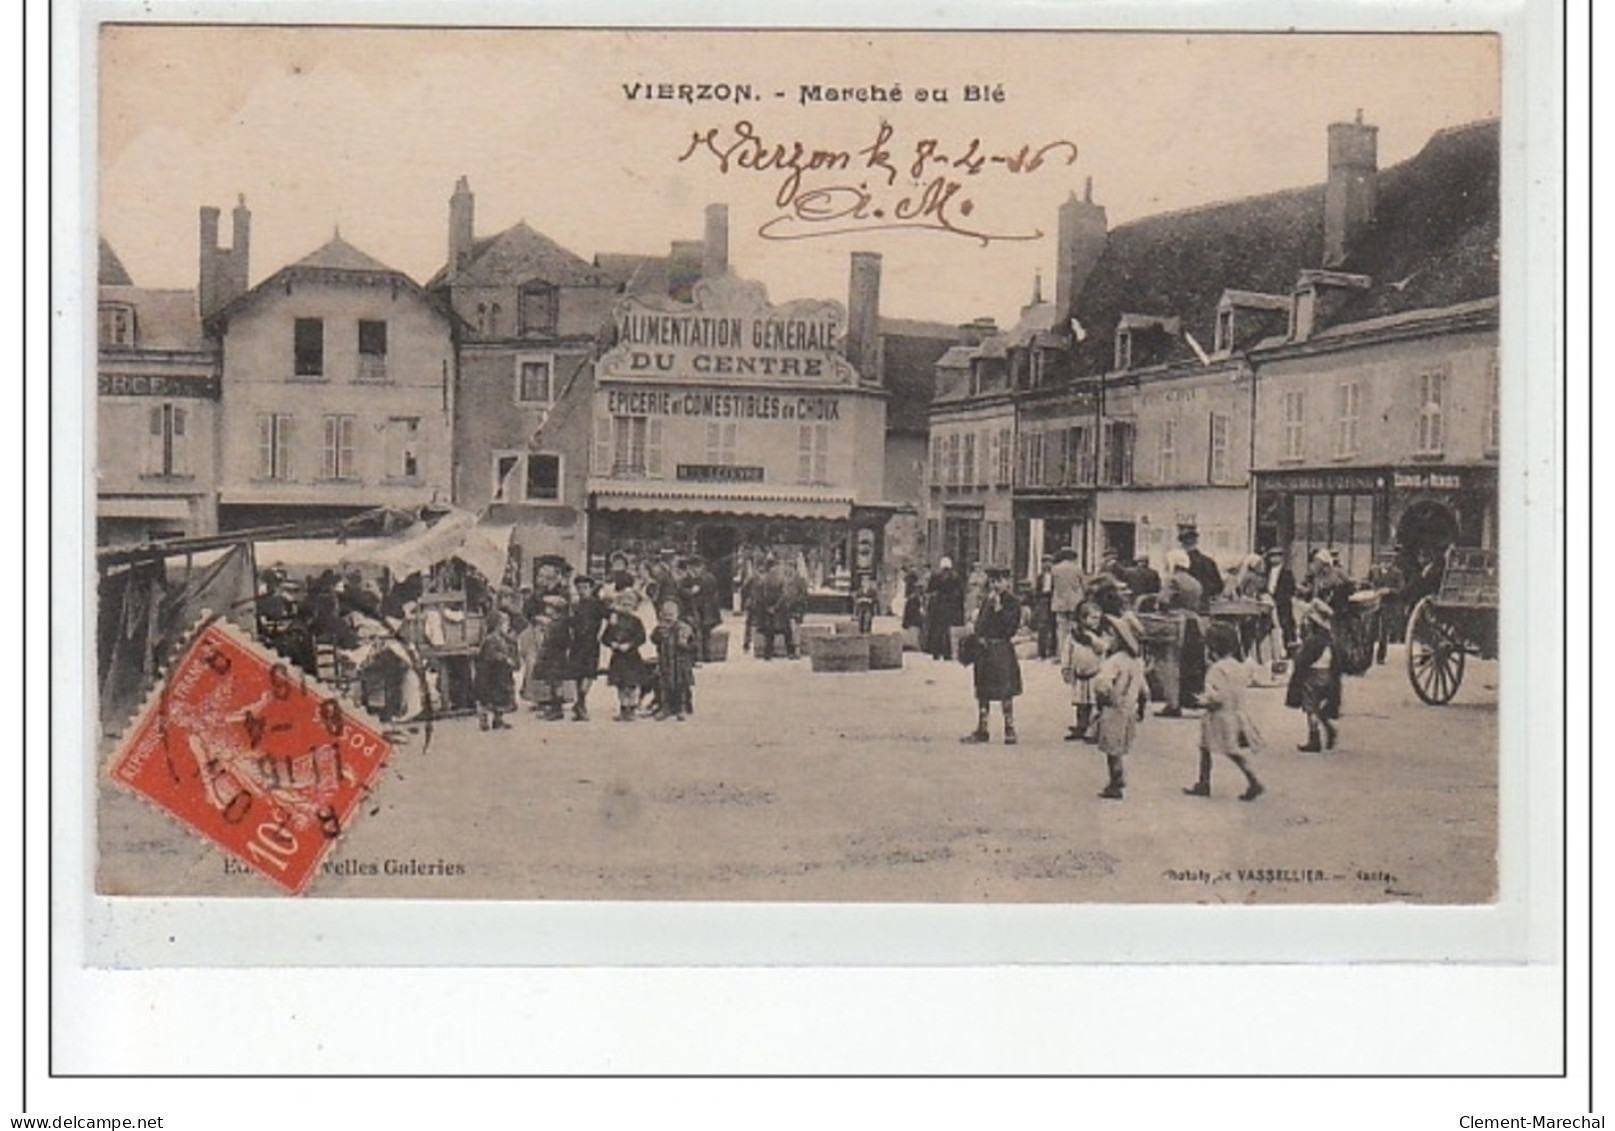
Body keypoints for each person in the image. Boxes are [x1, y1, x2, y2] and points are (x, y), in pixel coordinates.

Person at [1184, 621, 1265, 801]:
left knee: (1224, 750)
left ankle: (1252, 780)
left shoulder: (1216, 669)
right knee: (1212, 748)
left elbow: (1216, 696)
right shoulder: (1238, 666)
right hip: (1235, 713)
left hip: (1218, 716)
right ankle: (1204, 782)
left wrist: (1204, 700)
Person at [960, 567, 1023, 746]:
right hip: (985, 650)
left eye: (1000, 581)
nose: (996, 585)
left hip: (1001, 648)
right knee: (983, 690)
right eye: (993, 581)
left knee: (1005, 690)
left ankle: (1009, 728)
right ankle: (982, 728)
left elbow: (1011, 627)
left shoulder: (1012, 603)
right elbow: (981, 624)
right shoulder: (987, 601)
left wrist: (1000, 610)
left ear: (1008, 582)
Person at [1093, 612, 1149, 800]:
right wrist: (1141, 708)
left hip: (1113, 708)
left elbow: (1103, 683)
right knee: (1120, 746)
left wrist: (1102, 698)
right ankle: (1120, 776)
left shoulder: (1115, 661)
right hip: (1129, 709)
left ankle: (1115, 782)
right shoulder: (1137, 662)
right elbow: (1144, 690)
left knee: (1111, 750)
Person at [1286, 599, 1343, 753]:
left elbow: (1302, 660)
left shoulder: (1313, 641)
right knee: (1319, 708)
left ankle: (1314, 739)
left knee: (1310, 708)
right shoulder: (1330, 640)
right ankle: (1329, 730)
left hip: (1312, 677)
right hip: (1328, 676)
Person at [1154, 548, 1206, 717]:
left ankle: (1173, 704)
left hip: (1177, 623)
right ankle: (1188, 696)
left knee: (1171, 664)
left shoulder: (1172, 580)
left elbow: (1163, 600)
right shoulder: (1195, 582)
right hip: (1195, 623)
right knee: (1189, 663)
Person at [600, 589, 649, 721]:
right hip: (618, 657)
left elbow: (642, 637)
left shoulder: (636, 621)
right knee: (620, 684)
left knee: (631, 683)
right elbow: (604, 637)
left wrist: (630, 644)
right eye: (623, 604)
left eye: (630, 604)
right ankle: (623, 707)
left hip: (632, 656)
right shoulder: (614, 621)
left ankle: (632, 707)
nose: (626, 607)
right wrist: (612, 644)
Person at [1062, 600, 1106, 742]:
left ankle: (1094, 731)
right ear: (1083, 618)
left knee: (1095, 704)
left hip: (1095, 674)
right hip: (1080, 675)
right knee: (1081, 703)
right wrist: (1066, 668)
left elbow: (1103, 648)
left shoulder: (1100, 635)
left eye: (1098, 618)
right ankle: (1081, 726)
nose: (1096, 621)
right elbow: (1066, 652)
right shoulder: (1074, 636)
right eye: (1093, 618)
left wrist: (1092, 638)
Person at [567, 575, 607, 721]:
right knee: (578, 673)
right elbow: (570, 622)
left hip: (591, 642)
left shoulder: (597, 604)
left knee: (589, 672)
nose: (582, 591)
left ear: (591, 589)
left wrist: (601, 635)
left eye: (585, 588)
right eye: (579, 588)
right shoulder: (575, 605)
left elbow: (608, 618)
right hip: (577, 642)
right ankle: (580, 703)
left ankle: (581, 701)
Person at [650, 599, 697, 721]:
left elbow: (695, 645)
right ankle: (665, 707)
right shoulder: (660, 628)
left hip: (680, 662)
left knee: (681, 685)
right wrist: (659, 634)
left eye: (671, 615)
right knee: (664, 685)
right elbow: (653, 639)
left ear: (677, 614)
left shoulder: (684, 628)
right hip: (665, 661)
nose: (668, 618)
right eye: (665, 615)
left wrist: (686, 646)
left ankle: (682, 708)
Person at [530, 593, 574, 721]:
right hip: (554, 656)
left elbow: (557, 640)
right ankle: (554, 707)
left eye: (549, 607)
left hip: (554, 656)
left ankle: (556, 708)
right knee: (552, 682)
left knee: (555, 682)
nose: (546, 609)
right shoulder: (556, 623)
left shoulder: (558, 624)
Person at [474, 609, 519, 731]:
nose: (507, 626)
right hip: (490, 674)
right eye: (505, 624)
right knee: (487, 698)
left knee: (500, 698)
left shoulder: (501, 637)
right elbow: (492, 655)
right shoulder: (491, 639)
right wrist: (505, 659)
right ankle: (484, 721)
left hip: (499, 674)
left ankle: (498, 720)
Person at [924, 557, 965, 661]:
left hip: (938, 607)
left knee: (937, 630)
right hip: (950, 608)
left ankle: (936, 652)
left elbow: (929, 590)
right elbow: (960, 594)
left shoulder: (936, 576)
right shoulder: (955, 577)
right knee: (947, 631)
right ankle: (947, 652)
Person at [1048, 548, 1086, 655]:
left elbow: (1050, 587)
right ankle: (1074, 653)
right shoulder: (1077, 569)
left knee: (1061, 629)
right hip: (1075, 601)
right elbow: (1084, 585)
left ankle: (1062, 653)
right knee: (1075, 627)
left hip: (1059, 602)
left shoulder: (1054, 569)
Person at [1263, 547, 1299, 655]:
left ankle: (1289, 649)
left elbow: (1291, 587)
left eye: (1276, 556)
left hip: (1282, 601)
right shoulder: (1267, 571)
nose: (1274, 559)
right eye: (1272, 556)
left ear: (1281, 558)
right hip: (1269, 599)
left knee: (1286, 624)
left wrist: (1283, 596)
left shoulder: (1286, 572)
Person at [1179, 528, 1224, 612]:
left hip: (1188, 607)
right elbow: (1219, 586)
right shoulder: (1209, 561)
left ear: (1183, 544)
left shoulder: (1182, 563)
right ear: (1196, 542)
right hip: (1206, 605)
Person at [1033, 554, 1056, 659]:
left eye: (1049, 562)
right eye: (1044, 562)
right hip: (1043, 600)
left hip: (1053, 600)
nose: (1046, 564)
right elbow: (1037, 591)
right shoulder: (1040, 577)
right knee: (1042, 626)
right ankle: (1041, 653)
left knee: (1053, 626)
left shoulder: (1056, 576)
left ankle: (1052, 651)